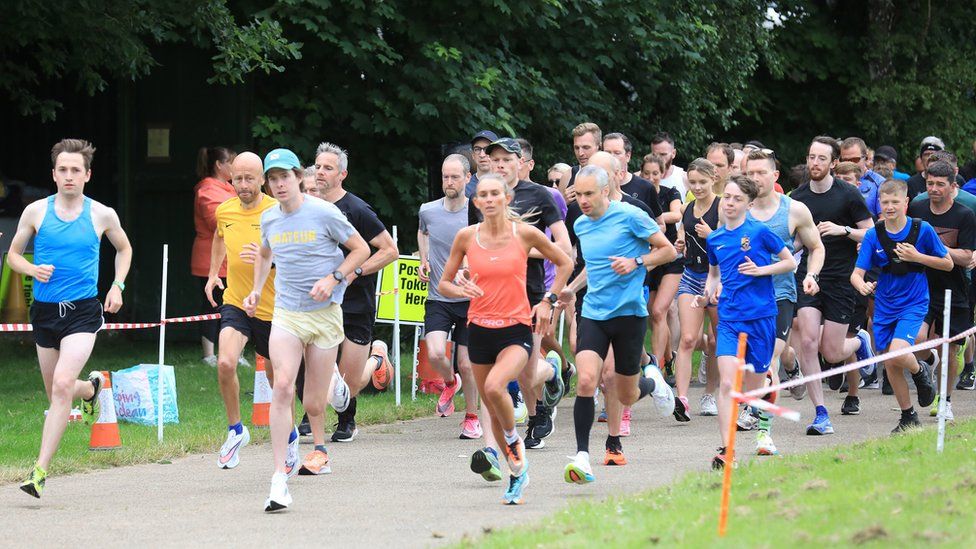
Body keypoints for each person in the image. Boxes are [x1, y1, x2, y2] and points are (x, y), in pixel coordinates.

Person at [244, 148, 370, 512]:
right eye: (273, 178)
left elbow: (360, 250)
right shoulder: (269, 219)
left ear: (299, 177)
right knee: (282, 385)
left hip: (326, 315)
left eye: (285, 176)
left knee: (315, 402)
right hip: (287, 314)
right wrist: (255, 289)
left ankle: (332, 412)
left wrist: (334, 279)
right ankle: (279, 478)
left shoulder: (324, 213)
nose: (280, 184)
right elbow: (266, 254)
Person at [9, 139, 133, 497]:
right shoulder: (35, 211)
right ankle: (93, 389)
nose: (68, 176)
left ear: (87, 175)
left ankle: (39, 472)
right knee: (57, 391)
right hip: (45, 313)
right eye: (62, 170)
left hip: (82, 311)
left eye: (75, 170)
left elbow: (124, 248)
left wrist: (118, 285)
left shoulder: (101, 214)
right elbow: (13, 257)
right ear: (53, 173)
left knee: (62, 384)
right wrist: (32, 268)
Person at [438, 173, 572, 504]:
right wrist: (461, 288)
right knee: (493, 408)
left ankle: (513, 441)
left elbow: (565, 261)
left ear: (506, 199)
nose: (489, 199)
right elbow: (444, 284)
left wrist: (548, 301)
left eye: (495, 193)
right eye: (482, 194)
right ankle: (517, 474)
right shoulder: (466, 237)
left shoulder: (524, 234)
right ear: (477, 201)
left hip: (516, 328)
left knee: (497, 388)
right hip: (479, 328)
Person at [560, 165, 677, 482]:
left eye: (588, 194)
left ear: (605, 191)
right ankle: (582, 456)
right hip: (594, 313)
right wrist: (571, 288)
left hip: (629, 315)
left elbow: (666, 250)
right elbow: (594, 268)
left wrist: (637, 261)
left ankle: (651, 382)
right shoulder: (581, 224)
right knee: (587, 380)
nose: (582, 200)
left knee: (624, 393)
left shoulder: (630, 216)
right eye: (578, 194)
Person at [468, 138, 571, 450]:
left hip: (529, 292)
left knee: (527, 372)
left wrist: (520, 251)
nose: (500, 165)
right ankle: (520, 424)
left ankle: (552, 372)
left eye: (507, 160)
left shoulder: (541, 195)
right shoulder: (485, 197)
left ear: (521, 162)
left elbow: (564, 249)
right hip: (490, 296)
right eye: (495, 159)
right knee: (500, 372)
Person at [699, 175, 796, 469]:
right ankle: (728, 451)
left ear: (749, 204)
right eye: (726, 197)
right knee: (728, 383)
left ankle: (763, 417)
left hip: (761, 317)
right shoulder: (714, 238)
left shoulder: (760, 232)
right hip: (729, 318)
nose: (729, 203)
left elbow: (790, 262)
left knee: (754, 387)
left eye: (737, 199)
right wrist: (706, 293)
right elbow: (714, 274)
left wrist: (762, 270)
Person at [312, 141, 399, 443]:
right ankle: (312, 415)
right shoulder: (307, 208)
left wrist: (355, 272)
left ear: (342, 175)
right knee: (316, 363)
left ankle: (374, 364)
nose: (321, 172)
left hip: (355, 302)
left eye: (328, 168)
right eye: (318, 166)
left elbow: (390, 250)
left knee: (350, 379)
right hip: (320, 301)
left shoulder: (357, 209)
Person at [790, 136, 875, 435]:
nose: (815, 163)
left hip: (841, 278)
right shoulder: (797, 198)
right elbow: (795, 238)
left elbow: (872, 235)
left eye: (821, 159)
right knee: (809, 342)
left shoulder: (848, 195)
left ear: (834, 162)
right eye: (811, 157)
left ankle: (861, 342)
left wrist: (844, 230)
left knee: (832, 351)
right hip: (810, 277)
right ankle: (821, 412)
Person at [851, 179, 947, 433]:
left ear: (906, 203)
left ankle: (920, 370)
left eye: (895, 202)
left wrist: (918, 257)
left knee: (897, 352)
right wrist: (861, 285)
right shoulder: (874, 234)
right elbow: (856, 273)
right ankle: (908, 415)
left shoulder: (921, 229)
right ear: (879, 205)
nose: (890, 207)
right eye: (885, 202)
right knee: (891, 363)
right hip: (884, 305)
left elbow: (947, 263)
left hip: (914, 302)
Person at [745, 150, 825, 452]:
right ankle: (792, 365)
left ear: (774, 176)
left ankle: (764, 433)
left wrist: (812, 275)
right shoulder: (735, 208)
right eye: (749, 174)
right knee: (757, 364)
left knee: (767, 362)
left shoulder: (795, 210)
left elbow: (816, 247)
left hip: (780, 295)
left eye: (760, 173)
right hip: (745, 298)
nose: (754, 179)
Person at [205, 152, 280, 470]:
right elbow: (219, 238)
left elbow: (297, 254)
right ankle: (236, 430)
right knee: (224, 362)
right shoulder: (225, 210)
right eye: (238, 179)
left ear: (263, 179)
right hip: (236, 300)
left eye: (250, 178)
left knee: (281, 384)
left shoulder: (277, 211)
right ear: (230, 179)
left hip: (273, 308)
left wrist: (268, 258)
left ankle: (288, 438)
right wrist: (212, 274)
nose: (244, 185)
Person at [418, 154, 482, 439]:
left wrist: (470, 269)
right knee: (434, 353)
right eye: (445, 176)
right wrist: (424, 259)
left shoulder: (478, 211)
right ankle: (448, 381)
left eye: (455, 176)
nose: (449, 182)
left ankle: (471, 417)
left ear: (468, 178)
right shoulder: (428, 210)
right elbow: (423, 233)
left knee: (468, 364)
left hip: (470, 298)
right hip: (439, 295)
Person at [908, 160, 976, 422]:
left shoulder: (964, 215)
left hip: (953, 290)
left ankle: (945, 401)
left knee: (950, 349)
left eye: (939, 185)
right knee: (915, 342)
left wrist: (935, 247)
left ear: (952, 186)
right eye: (930, 184)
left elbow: (966, 257)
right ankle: (930, 361)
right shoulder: (917, 208)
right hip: (920, 287)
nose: (934, 189)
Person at [674, 159, 722, 418]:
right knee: (688, 338)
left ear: (713, 178)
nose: (698, 187)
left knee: (715, 340)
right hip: (691, 276)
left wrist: (712, 234)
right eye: (693, 182)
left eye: (702, 182)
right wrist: (680, 243)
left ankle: (709, 394)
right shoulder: (687, 208)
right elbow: (683, 232)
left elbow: (732, 244)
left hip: (716, 279)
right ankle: (681, 399)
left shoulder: (723, 206)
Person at [192, 146, 237, 366]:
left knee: (233, 306)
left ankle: (230, 352)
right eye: (232, 162)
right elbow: (216, 222)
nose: (236, 167)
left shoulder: (230, 188)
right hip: (211, 258)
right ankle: (209, 355)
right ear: (220, 165)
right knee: (212, 304)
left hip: (233, 258)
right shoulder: (207, 190)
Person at [642, 154, 683, 386]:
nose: (650, 178)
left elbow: (676, 214)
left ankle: (655, 369)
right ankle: (668, 358)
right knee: (652, 313)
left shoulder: (670, 193)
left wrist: (650, 218)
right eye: (646, 173)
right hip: (649, 257)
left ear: (662, 173)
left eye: (654, 173)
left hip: (670, 258)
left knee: (659, 311)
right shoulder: (638, 194)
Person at [603, 132, 662, 216]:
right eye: (607, 153)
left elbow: (660, 224)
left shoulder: (646, 188)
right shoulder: (595, 187)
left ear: (628, 156)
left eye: (617, 153)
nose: (611, 157)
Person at [840, 137, 886, 217]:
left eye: (855, 160)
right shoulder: (835, 181)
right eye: (845, 160)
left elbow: (884, 220)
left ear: (866, 158)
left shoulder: (880, 183)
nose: (850, 164)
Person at [652, 132, 688, 198]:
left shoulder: (684, 178)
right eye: (655, 155)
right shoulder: (640, 177)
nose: (658, 158)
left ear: (673, 153)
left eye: (663, 154)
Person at [464, 130, 499, 198]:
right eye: (477, 149)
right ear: (473, 155)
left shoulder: (506, 182)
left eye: (487, 149)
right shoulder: (465, 186)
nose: (482, 155)